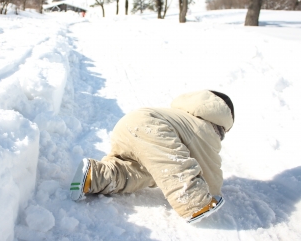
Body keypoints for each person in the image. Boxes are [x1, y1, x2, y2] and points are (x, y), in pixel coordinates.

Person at [70, 90, 234, 224]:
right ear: (224, 120)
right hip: (152, 127)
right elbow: (209, 166)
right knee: (171, 162)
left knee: (146, 171)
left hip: (128, 124)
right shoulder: (205, 129)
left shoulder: (181, 116)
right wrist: (212, 191)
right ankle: (194, 202)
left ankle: (97, 175)